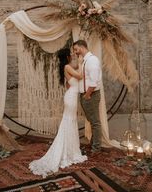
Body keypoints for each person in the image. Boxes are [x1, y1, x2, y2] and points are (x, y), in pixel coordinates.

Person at [29, 48, 87, 178]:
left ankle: (70, 149)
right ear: (67, 57)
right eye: (71, 53)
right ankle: (67, 151)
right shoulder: (67, 67)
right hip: (71, 98)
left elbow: (74, 74)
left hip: (71, 96)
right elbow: (80, 75)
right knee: (69, 121)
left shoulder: (67, 67)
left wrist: (79, 61)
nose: (73, 54)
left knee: (70, 122)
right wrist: (82, 62)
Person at [73, 40, 102, 153]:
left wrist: (87, 95)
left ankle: (96, 148)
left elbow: (94, 82)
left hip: (91, 95)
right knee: (91, 120)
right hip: (87, 95)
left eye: (76, 49)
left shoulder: (92, 60)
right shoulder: (85, 60)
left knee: (95, 122)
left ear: (81, 47)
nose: (75, 52)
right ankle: (93, 144)